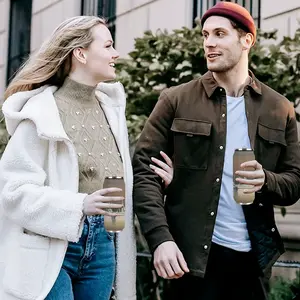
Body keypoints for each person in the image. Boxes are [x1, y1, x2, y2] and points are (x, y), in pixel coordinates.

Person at [132, 2, 300, 300]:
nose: (209, 42)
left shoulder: (279, 108)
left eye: (220, 34)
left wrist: (266, 181)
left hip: (253, 261)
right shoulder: (175, 100)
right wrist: (160, 239)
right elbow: (144, 172)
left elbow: (294, 182)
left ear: (246, 40)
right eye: (205, 35)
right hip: (192, 260)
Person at [0, 16, 169, 300]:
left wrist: (160, 184)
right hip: (51, 247)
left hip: (105, 242)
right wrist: (79, 205)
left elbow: (114, 183)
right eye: (108, 45)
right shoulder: (40, 113)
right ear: (80, 53)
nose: (116, 54)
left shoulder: (111, 110)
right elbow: (12, 192)